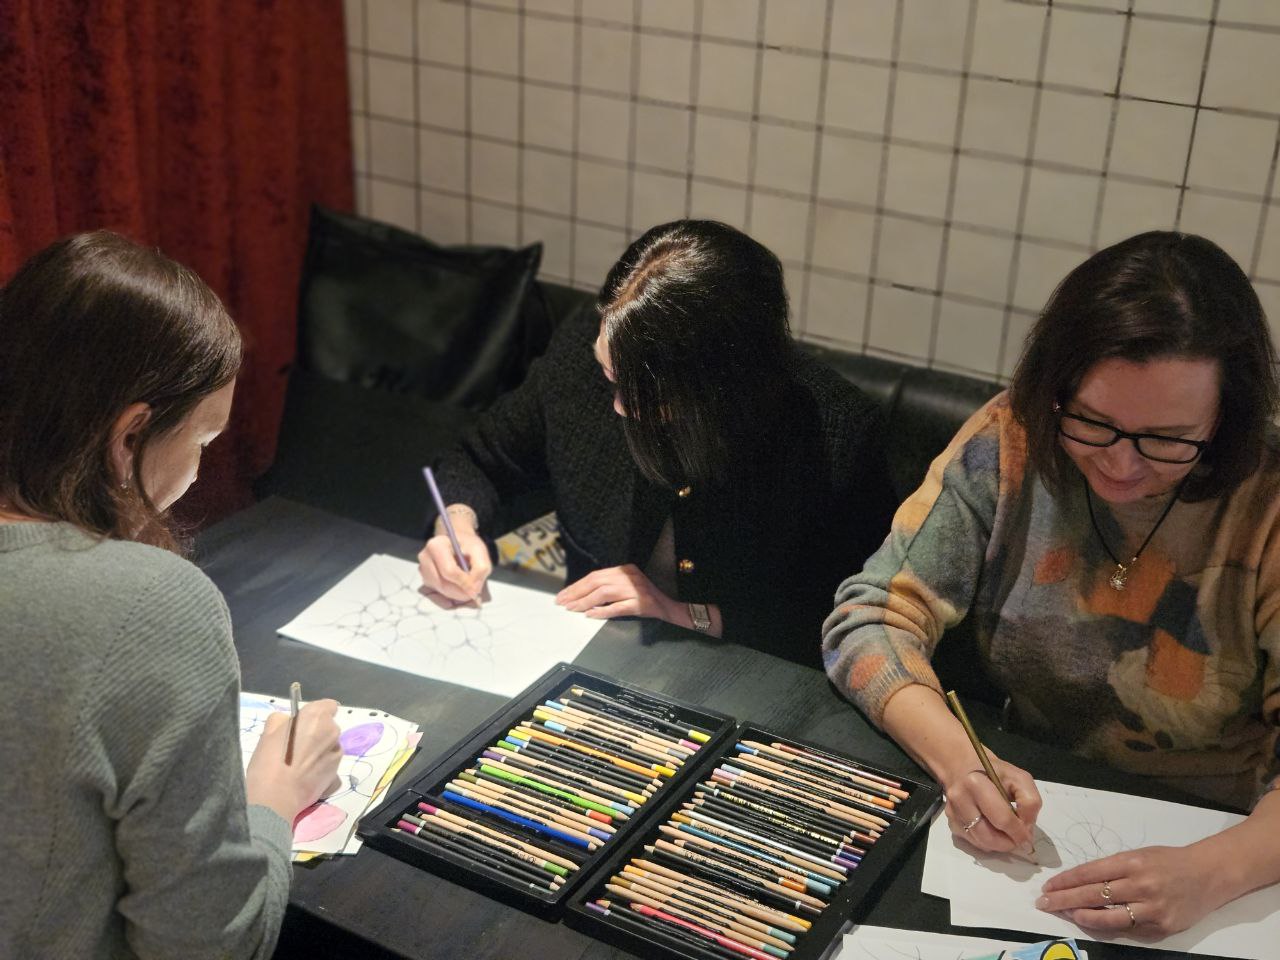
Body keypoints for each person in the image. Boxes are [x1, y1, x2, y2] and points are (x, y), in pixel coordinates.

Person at [823, 231, 1280, 938]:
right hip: (1031, 809)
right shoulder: (1014, 440)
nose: (1122, 465)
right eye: (1093, 423)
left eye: (1167, 439)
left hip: (1220, 842)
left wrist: (1213, 872)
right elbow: (871, 617)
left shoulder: (1266, 506)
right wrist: (961, 762)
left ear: (1226, 420)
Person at [0, 232, 344, 959]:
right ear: (129, 437)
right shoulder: (149, 605)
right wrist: (274, 799)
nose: (197, 472)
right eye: (203, 442)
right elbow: (210, 944)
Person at [419, 219, 896, 664]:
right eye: (609, 373)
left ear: (722, 385)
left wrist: (680, 612)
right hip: (588, 650)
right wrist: (455, 528)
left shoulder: (835, 435)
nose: (618, 407)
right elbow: (479, 459)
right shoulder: (579, 358)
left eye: (644, 392)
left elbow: (849, 618)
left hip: (748, 673)